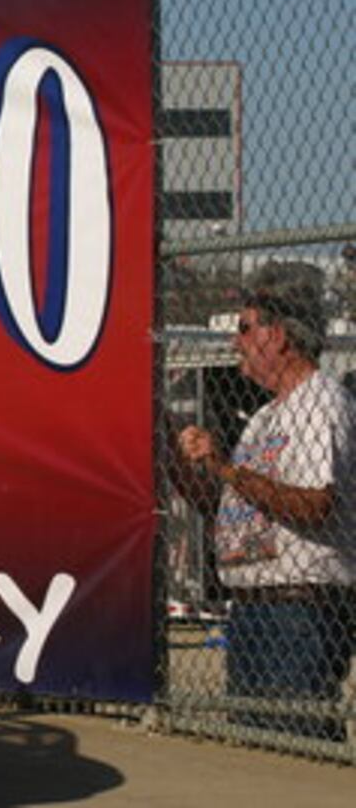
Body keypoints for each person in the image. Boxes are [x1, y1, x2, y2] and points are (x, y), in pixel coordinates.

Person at [174, 262, 355, 741]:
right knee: (256, 743)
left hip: (299, 609)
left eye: (244, 328)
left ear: (276, 336)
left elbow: (317, 504)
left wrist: (227, 468)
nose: (236, 341)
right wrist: (177, 467)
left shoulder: (321, 403)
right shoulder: (264, 419)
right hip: (252, 607)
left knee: (293, 740)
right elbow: (228, 508)